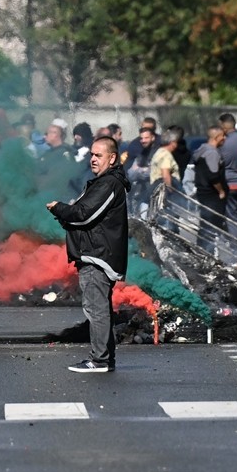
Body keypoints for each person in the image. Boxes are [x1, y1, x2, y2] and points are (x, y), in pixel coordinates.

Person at [47, 136, 130, 373]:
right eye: (92, 154)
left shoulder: (108, 184)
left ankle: (100, 360)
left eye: (99, 155)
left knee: (97, 309)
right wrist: (65, 214)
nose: (93, 159)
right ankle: (103, 358)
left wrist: (60, 208)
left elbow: (84, 214)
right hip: (94, 253)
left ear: (112, 158)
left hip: (98, 256)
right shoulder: (103, 183)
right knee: (97, 308)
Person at [193, 126, 228, 254]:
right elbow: (213, 175)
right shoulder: (212, 153)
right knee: (211, 225)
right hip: (211, 195)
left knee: (205, 224)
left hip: (203, 193)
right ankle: (207, 252)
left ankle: (201, 251)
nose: (224, 138)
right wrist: (221, 191)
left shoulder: (201, 150)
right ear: (216, 137)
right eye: (223, 136)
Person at [149, 128, 184, 232]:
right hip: (164, 192)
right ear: (173, 143)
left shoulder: (159, 152)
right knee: (168, 221)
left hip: (157, 190)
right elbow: (165, 173)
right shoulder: (166, 155)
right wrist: (171, 190)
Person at [219, 113, 237, 236]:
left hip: (229, 183)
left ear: (224, 127)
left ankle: (235, 247)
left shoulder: (222, 143)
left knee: (232, 218)